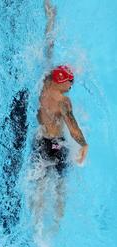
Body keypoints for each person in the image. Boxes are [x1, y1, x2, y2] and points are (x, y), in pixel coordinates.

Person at [31, 0, 88, 232]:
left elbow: (49, 45)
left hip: (40, 141)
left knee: (39, 186)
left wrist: (50, 19)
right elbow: (72, 125)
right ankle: (56, 225)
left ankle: (37, 224)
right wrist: (83, 144)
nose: (72, 86)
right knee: (60, 188)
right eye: (70, 83)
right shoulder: (63, 102)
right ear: (62, 81)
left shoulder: (44, 81)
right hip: (57, 144)